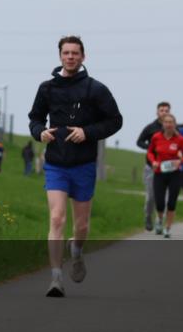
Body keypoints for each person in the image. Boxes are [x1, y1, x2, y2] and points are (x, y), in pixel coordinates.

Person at [28, 35, 123, 297]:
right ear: (60, 56)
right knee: (57, 218)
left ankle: (77, 249)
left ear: (83, 57)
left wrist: (87, 132)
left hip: (83, 164)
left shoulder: (95, 89)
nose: (70, 57)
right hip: (56, 163)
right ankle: (56, 278)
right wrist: (40, 133)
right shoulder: (47, 88)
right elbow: (35, 118)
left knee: (81, 226)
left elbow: (115, 120)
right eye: (66, 53)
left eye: (75, 53)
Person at [146, 113, 183, 238]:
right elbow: (150, 152)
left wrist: (180, 161)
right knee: (159, 203)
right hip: (159, 173)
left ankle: (168, 228)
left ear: (174, 124)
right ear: (163, 124)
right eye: (166, 122)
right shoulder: (156, 137)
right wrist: (153, 161)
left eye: (171, 122)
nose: (168, 124)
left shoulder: (180, 139)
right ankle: (159, 221)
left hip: (175, 174)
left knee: (171, 202)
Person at [137, 101, 171, 232]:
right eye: (162, 110)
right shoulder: (150, 127)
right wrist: (150, 148)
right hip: (151, 167)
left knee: (165, 197)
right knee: (151, 197)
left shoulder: (173, 129)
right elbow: (139, 141)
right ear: (157, 112)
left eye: (166, 110)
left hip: (167, 168)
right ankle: (148, 216)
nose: (164, 112)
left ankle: (159, 221)